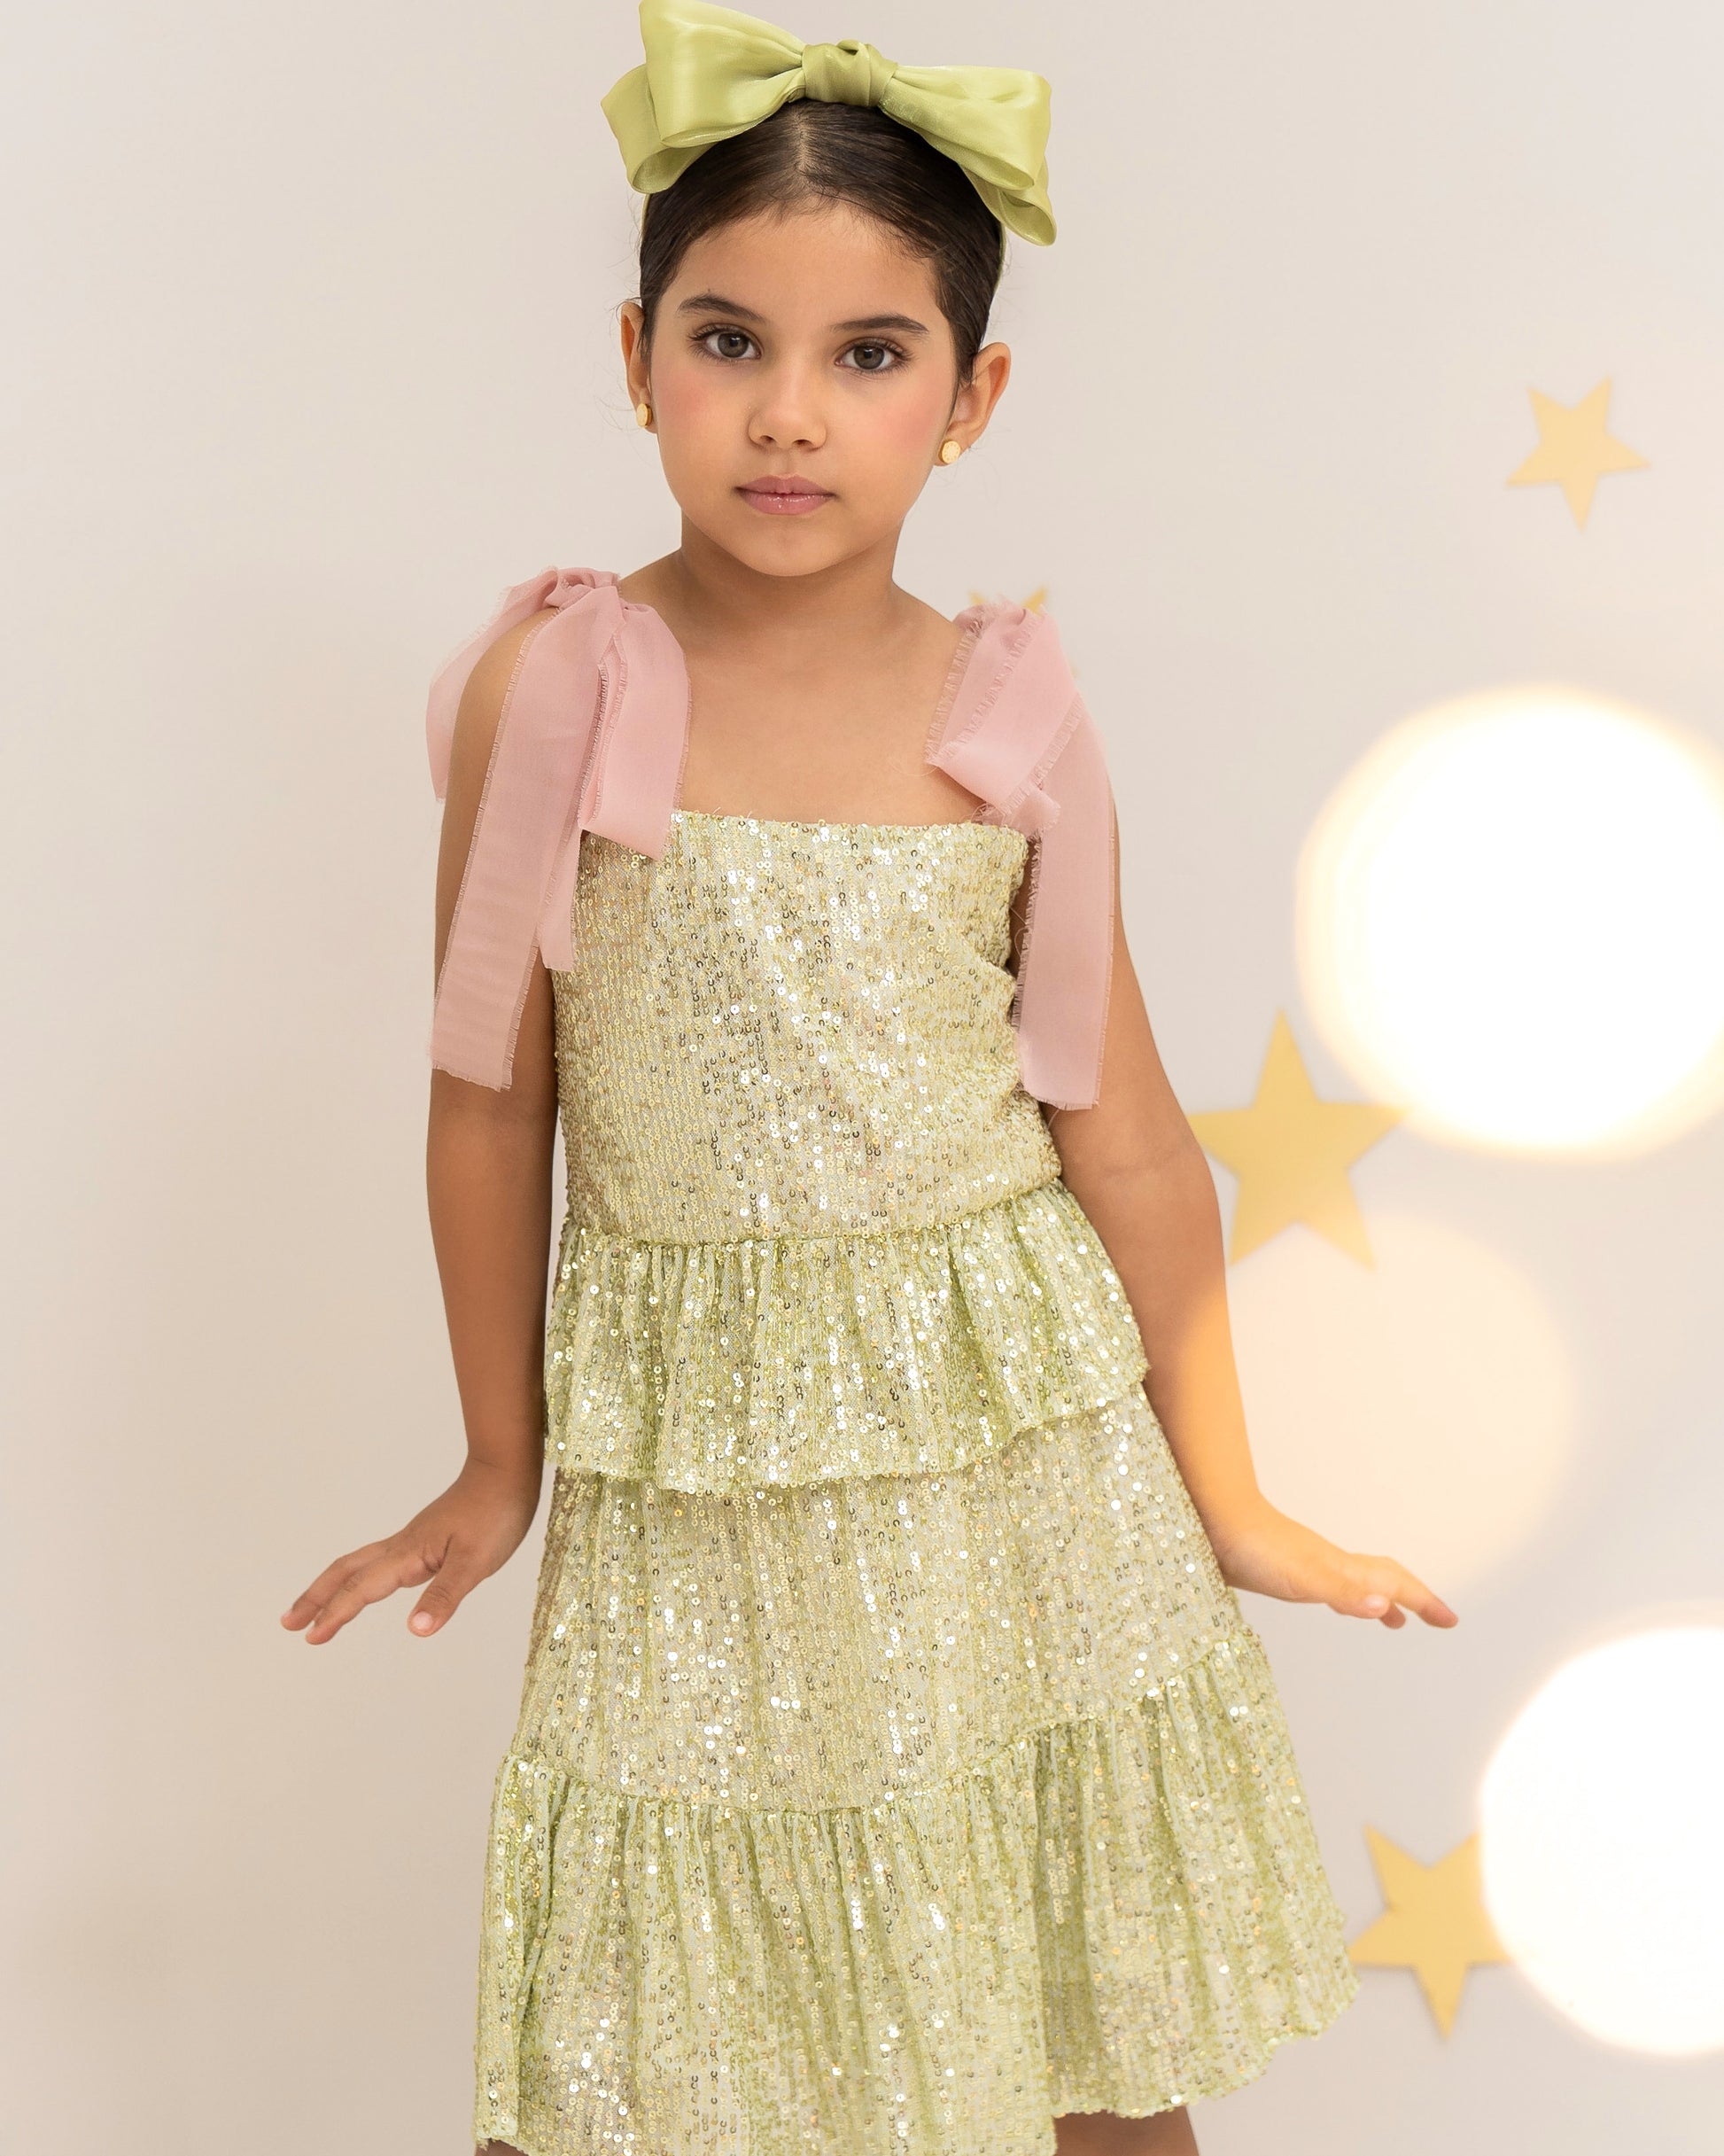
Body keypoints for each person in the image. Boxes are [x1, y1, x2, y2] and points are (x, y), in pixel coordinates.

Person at [281, 4, 1459, 2152]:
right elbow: (490, 1096)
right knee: (638, 2045)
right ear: (633, 355)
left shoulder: (1006, 710)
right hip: (700, 1470)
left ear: (970, 397)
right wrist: (495, 1454)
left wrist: (1232, 1496)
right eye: (728, 341)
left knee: (1068, 2034)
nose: (788, 414)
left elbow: (1126, 1138)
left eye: (869, 355)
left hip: (1015, 1460)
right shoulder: (559, 680)